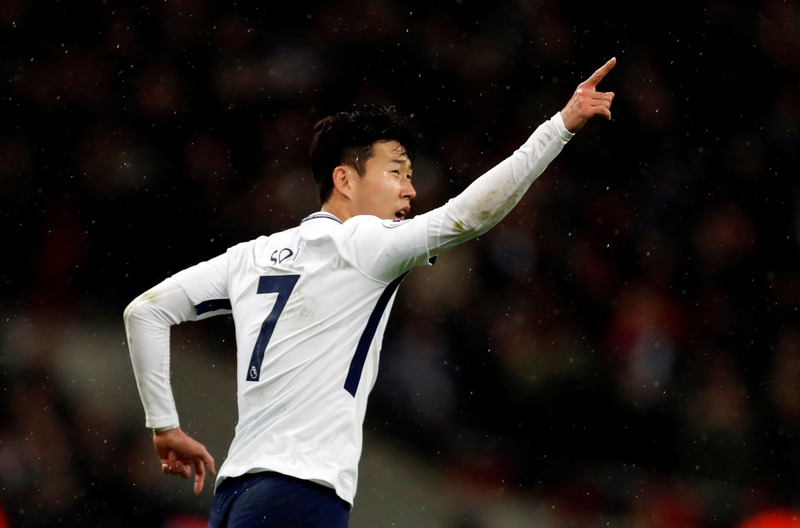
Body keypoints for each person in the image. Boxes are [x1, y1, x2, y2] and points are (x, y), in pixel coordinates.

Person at [123, 57, 617, 527]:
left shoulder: (249, 256)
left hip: (235, 497)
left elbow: (144, 313)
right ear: (344, 179)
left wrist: (164, 426)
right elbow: (470, 215)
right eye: (396, 171)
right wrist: (561, 125)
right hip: (303, 492)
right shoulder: (363, 242)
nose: (410, 189)